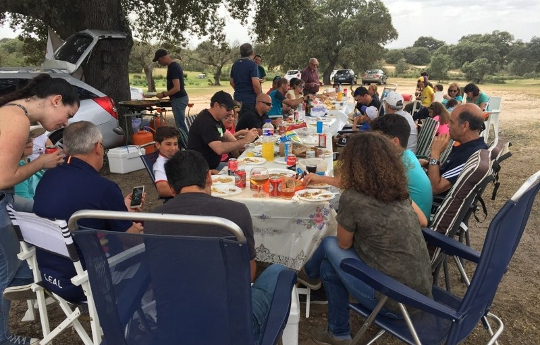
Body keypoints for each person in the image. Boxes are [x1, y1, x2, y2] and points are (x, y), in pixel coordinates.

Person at [299, 132, 432, 345]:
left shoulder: (353, 199)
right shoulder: (399, 191)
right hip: (421, 294)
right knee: (329, 266)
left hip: (392, 301)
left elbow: (343, 245)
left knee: (328, 245)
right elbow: (423, 221)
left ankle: (307, 275)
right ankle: (337, 333)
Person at [144, 150, 288, 345]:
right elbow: (248, 274)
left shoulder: (154, 221)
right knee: (278, 271)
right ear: (208, 177)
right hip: (231, 329)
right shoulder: (234, 213)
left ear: (170, 187)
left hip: (176, 330)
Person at [0, 73, 77, 345]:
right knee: (3, 274)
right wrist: (41, 163)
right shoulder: (17, 118)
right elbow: (4, 177)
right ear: (56, 100)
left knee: (13, 268)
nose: (65, 123)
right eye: (67, 114)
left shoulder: (11, 113)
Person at [33, 121, 144, 303]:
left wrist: (120, 207)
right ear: (98, 148)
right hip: (88, 281)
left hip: (51, 276)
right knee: (155, 253)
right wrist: (137, 225)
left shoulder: (49, 176)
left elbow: (75, 207)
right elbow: (131, 240)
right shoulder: (103, 188)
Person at [370, 115, 433, 218]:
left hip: (410, 224)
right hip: (413, 216)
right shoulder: (407, 154)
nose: (373, 145)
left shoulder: (396, 167)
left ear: (395, 142)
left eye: (377, 140)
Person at [420, 104, 488, 196]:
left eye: (451, 122)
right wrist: (427, 164)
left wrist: (435, 153)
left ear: (464, 126)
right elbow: (448, 172)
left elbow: (435, 188)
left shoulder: (470, 155)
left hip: (429, 202)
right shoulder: (468, 147)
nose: (448, 125)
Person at [187, 91, 258, 170]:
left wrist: (239, 159)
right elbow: (219, 149)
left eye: (231, 109)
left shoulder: (216, 119)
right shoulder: (206, 122)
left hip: (212, 165)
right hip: (203, 169)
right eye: (228, 108)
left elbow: (228, 137)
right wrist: (244, 140)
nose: (230, 112)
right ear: (216, 105)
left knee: (245, 169)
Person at [153, 49, 189, 136]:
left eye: (159, 60)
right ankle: (185, 143)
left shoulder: (173, 67)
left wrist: (164, 94)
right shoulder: (174, 66)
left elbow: (177, 88)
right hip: (179, 99)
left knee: (181, 125)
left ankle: (187, 145)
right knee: (180, 124)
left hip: (179, 99)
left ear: (163, 57)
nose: (159, 62)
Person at [14, 127, 47, 200]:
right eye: (24, 138)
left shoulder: (28, 162)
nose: (30, 140)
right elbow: (24, 202)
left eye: (31, 136)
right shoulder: (17, 168)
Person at [230, 43, 261, 117]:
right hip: (250, 99)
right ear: (252, 52)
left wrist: (239, 89)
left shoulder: (235, 65)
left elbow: (231, 82)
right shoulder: (252, 65)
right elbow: (255, 83)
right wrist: (260, 96)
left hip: (237, 98)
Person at [153, 126, 181, 198]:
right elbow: (163, 190)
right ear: (158, 145)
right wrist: (190, 191)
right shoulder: (160, 165)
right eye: (168, 144)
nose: (173, 148)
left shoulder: (178, 157)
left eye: (175, 144)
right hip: (182, 198)